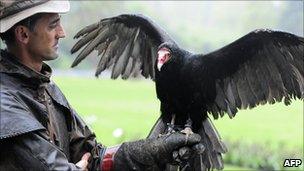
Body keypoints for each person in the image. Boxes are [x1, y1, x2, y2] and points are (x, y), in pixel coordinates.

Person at [0, 1, 203, 170]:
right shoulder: (4, 102)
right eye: (53, 25)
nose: (62, 33)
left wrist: (150, 151)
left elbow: (95, 157)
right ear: (23, 34)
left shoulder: (46, 88)